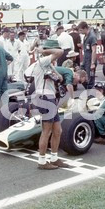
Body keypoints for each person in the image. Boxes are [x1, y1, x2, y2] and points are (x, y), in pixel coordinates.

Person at [29, 39, 68, 169]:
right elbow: (60, 51)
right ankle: (41, 161)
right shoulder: (43, 61)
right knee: (46, 131)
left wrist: (55, 73)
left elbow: (60, 78)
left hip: (50, 97)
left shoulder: (48, 64)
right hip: (45, 97)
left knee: (58, 130)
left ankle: (54, 158)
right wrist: (44, 51)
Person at [78, 21, 97, 88]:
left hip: (90, 60)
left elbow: (94, 50)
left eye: (81, 30)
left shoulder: (92, 37)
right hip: (85, 59)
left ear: (85, 28)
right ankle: (87, 88)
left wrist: (92, 63)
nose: (80, 32)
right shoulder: (85, 36)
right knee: (81, 73)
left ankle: (90, 91)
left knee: (89, 78)